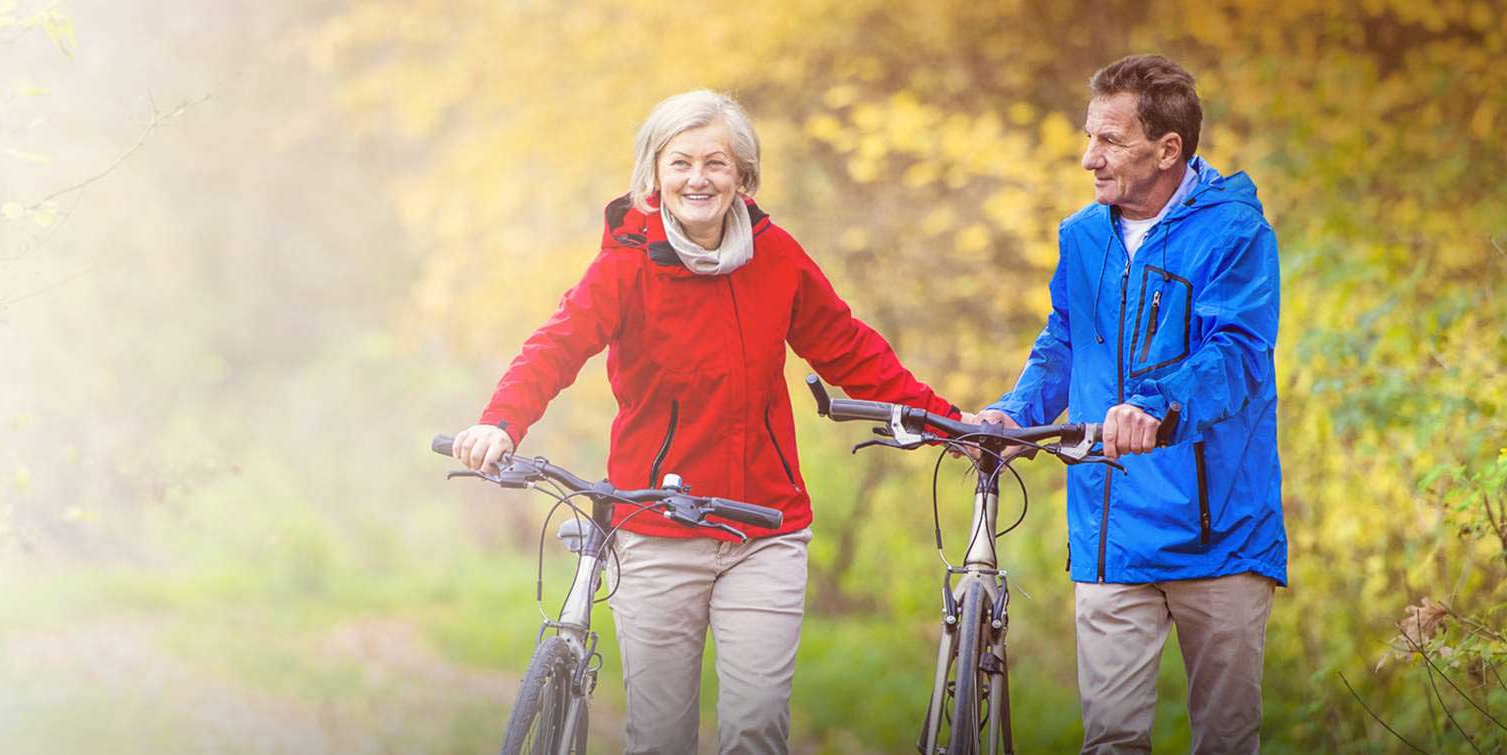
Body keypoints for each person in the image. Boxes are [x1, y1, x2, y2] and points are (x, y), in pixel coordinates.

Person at [451, 89, 959, 755]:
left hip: (764, 529)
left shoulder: (778, 259)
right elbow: (556, 347)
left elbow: (850, 348)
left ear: (743, 178)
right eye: (681, 162)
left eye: (716, 163)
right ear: (653, 177)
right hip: (657, 529)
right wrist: (501, 423)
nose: (698, 178)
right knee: (660, 739)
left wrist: (950, 424)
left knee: (755, 732)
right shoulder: (625, 265)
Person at [969, 54, 1287, 754]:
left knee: (1226, 742)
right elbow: (1064, 341)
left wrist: (1155, 404)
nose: (1089, 158)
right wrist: (1017, 412)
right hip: (1112, 532)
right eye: (1090, 136)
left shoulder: (1237, 233)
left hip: (1221, 536)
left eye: (1109, 140)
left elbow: (1236, 354)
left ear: (1168, 148)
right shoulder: (1082, 236)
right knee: (1111, 741)